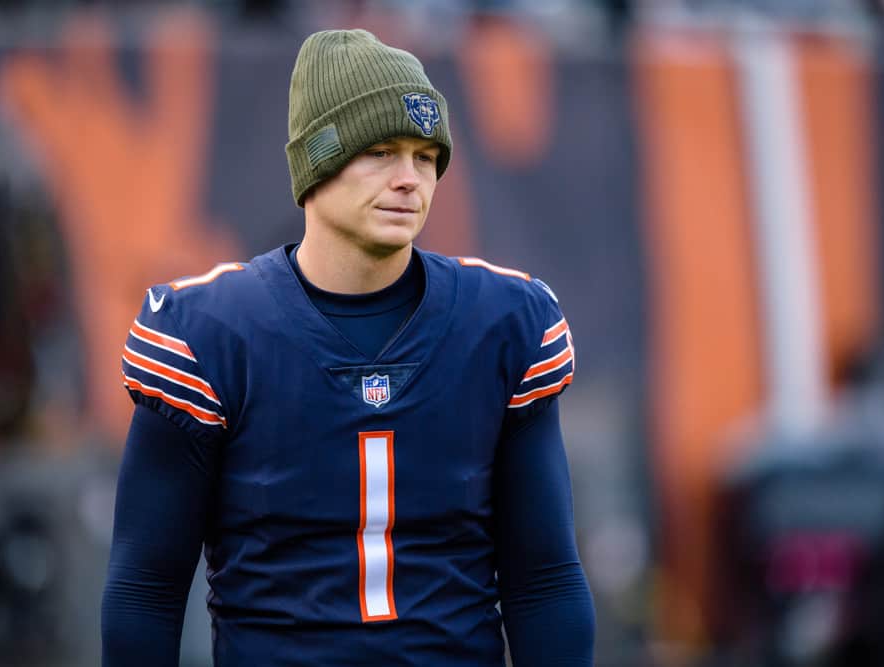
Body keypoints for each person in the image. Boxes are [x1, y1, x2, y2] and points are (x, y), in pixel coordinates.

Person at [102, 29, 595, 666]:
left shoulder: (504, 323)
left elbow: (545, 578)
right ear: (317, 160)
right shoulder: (208, 334)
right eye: (382, 151)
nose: (409, 179)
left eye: (425, 156)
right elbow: (146, 589)